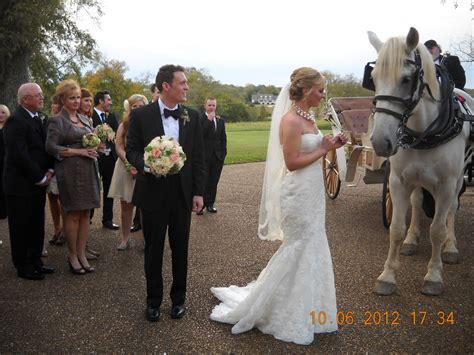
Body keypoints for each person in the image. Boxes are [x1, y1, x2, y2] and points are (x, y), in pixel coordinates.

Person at [210, 67, 347, 345]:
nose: (323, 96)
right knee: (298, 245)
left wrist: (330, 143)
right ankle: (280, 307)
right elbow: (293, 162)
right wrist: (322, 149)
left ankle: (312, 307)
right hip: (297, 192)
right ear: (307, 90)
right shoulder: (291, 121)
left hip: (313, 192)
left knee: (314, 243)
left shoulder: (309, 117)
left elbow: (313, 148)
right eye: (320, 90)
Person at [126, 64, 205, 322]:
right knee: (153, 249)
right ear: (166, 86)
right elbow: (132, 150)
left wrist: (198, 193)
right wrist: (147, 164)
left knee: (180, 248)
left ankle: (178, 300)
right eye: (182, 83)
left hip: (182, 194)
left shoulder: (192, 116)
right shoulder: (141, 116)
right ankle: (153, 301)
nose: (187, 87)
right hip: (152, 192)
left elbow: (198, 159)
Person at [46, 79, 101, 275]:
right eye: (72, 98)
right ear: (62, 99)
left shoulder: (85, 119)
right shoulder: (57, 120)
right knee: (73, 213)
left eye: (78, 97)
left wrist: (97, 148)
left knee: (86, 213)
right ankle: (72, 256)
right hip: (69, 172)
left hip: (88, 171)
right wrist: (79, 152)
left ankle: (81, 254)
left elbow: (90, 142)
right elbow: (51, 147)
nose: (77, 101)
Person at [3, 83, 55, 280]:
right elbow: (19, 155)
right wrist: (40, 177)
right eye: (38, 95)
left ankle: (36, 261)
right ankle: (23, 266)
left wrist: (50, 169)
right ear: (25, 99)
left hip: (37, 184)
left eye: (41, 94)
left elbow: (44, 148)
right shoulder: (15, 121)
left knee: (36, 224)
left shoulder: (36, 118)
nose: (42, 98)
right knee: (21, 227)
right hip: (20, 185)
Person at [108, 94, 148, 250]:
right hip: (125, 166)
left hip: (145, 167)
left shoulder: (150, 124)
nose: (138, 109)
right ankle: (125, 239)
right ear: (130, 108)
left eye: (141, 106)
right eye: (134, 106)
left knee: (145, 206)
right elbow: (119, 147)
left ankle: (147, 239)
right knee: (126, 205)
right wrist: (128, 163)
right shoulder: (124, 125)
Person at [91, 90, 119, 230]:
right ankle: (87, 218)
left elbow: (117, 135)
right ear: (101, 101)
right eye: (108, 100)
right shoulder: (89, 116)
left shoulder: (112, 116)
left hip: (110, 159)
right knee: (92, 188)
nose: (111, 102)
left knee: (109, 189)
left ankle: (107, 219)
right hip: (94, 158)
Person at [79, 88, 101, 260]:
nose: (88, 104)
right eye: (85, 100)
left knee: (89, 209)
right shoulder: (75, 120)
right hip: (79, 167)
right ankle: (79, 249)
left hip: (91, 163)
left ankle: (85, 245)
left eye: (89, 101)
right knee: (81, 210)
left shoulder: (88, 119)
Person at [197, 96, 227, 215]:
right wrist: (209, 120)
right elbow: (200, 135)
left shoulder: (220, 120)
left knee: (213, 181)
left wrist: (224, 152)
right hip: (204, 156)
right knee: (203, 181)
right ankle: (201, 205)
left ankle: (210, 204)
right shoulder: (200, 118)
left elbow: (223, 138)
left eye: (213, 105)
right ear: (205, 106)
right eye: (209, 105)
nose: (211, 107)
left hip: (217, 156)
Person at [46, 95, 66, 247]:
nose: (53, 106)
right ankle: (57, 228)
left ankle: (65, 230)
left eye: (55, 104)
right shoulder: (48, 121)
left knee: (62, 199)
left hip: (62, 164)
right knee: (52, 197)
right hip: (49, 164)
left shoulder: (65, 121)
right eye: (52, 103)